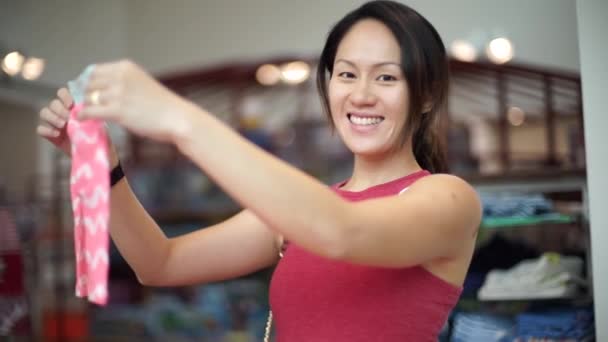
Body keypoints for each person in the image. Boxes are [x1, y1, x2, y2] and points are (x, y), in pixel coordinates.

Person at [36, 1, 482, 340]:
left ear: (425, 97)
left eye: (387, 78)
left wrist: (178, 118)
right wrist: (104, 167)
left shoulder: (447, 199)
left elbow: (344, 232)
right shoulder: (298, 214)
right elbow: (159, 263)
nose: (361, 95)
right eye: (346, 75)